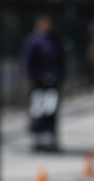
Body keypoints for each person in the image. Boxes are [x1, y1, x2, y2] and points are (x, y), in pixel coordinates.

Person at [21, 15, 65, 152]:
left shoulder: (54, 40)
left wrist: (59, 75)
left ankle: (50, 140)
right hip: (38, 82)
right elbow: (28, 61)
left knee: (51, 111)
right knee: (37, 111)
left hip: (52, 80)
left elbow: (61, 59)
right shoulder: (34, 41)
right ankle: (37, 140)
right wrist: (35, 77)